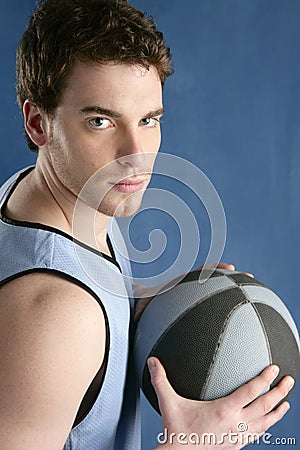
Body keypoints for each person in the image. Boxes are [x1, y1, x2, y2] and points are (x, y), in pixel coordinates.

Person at [0, 0, 294, 449]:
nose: (135, 155)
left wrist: (135, 312)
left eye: (148, 120)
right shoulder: (58, 317)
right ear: (39, 124)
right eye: (100, 121)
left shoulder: (49, 194)